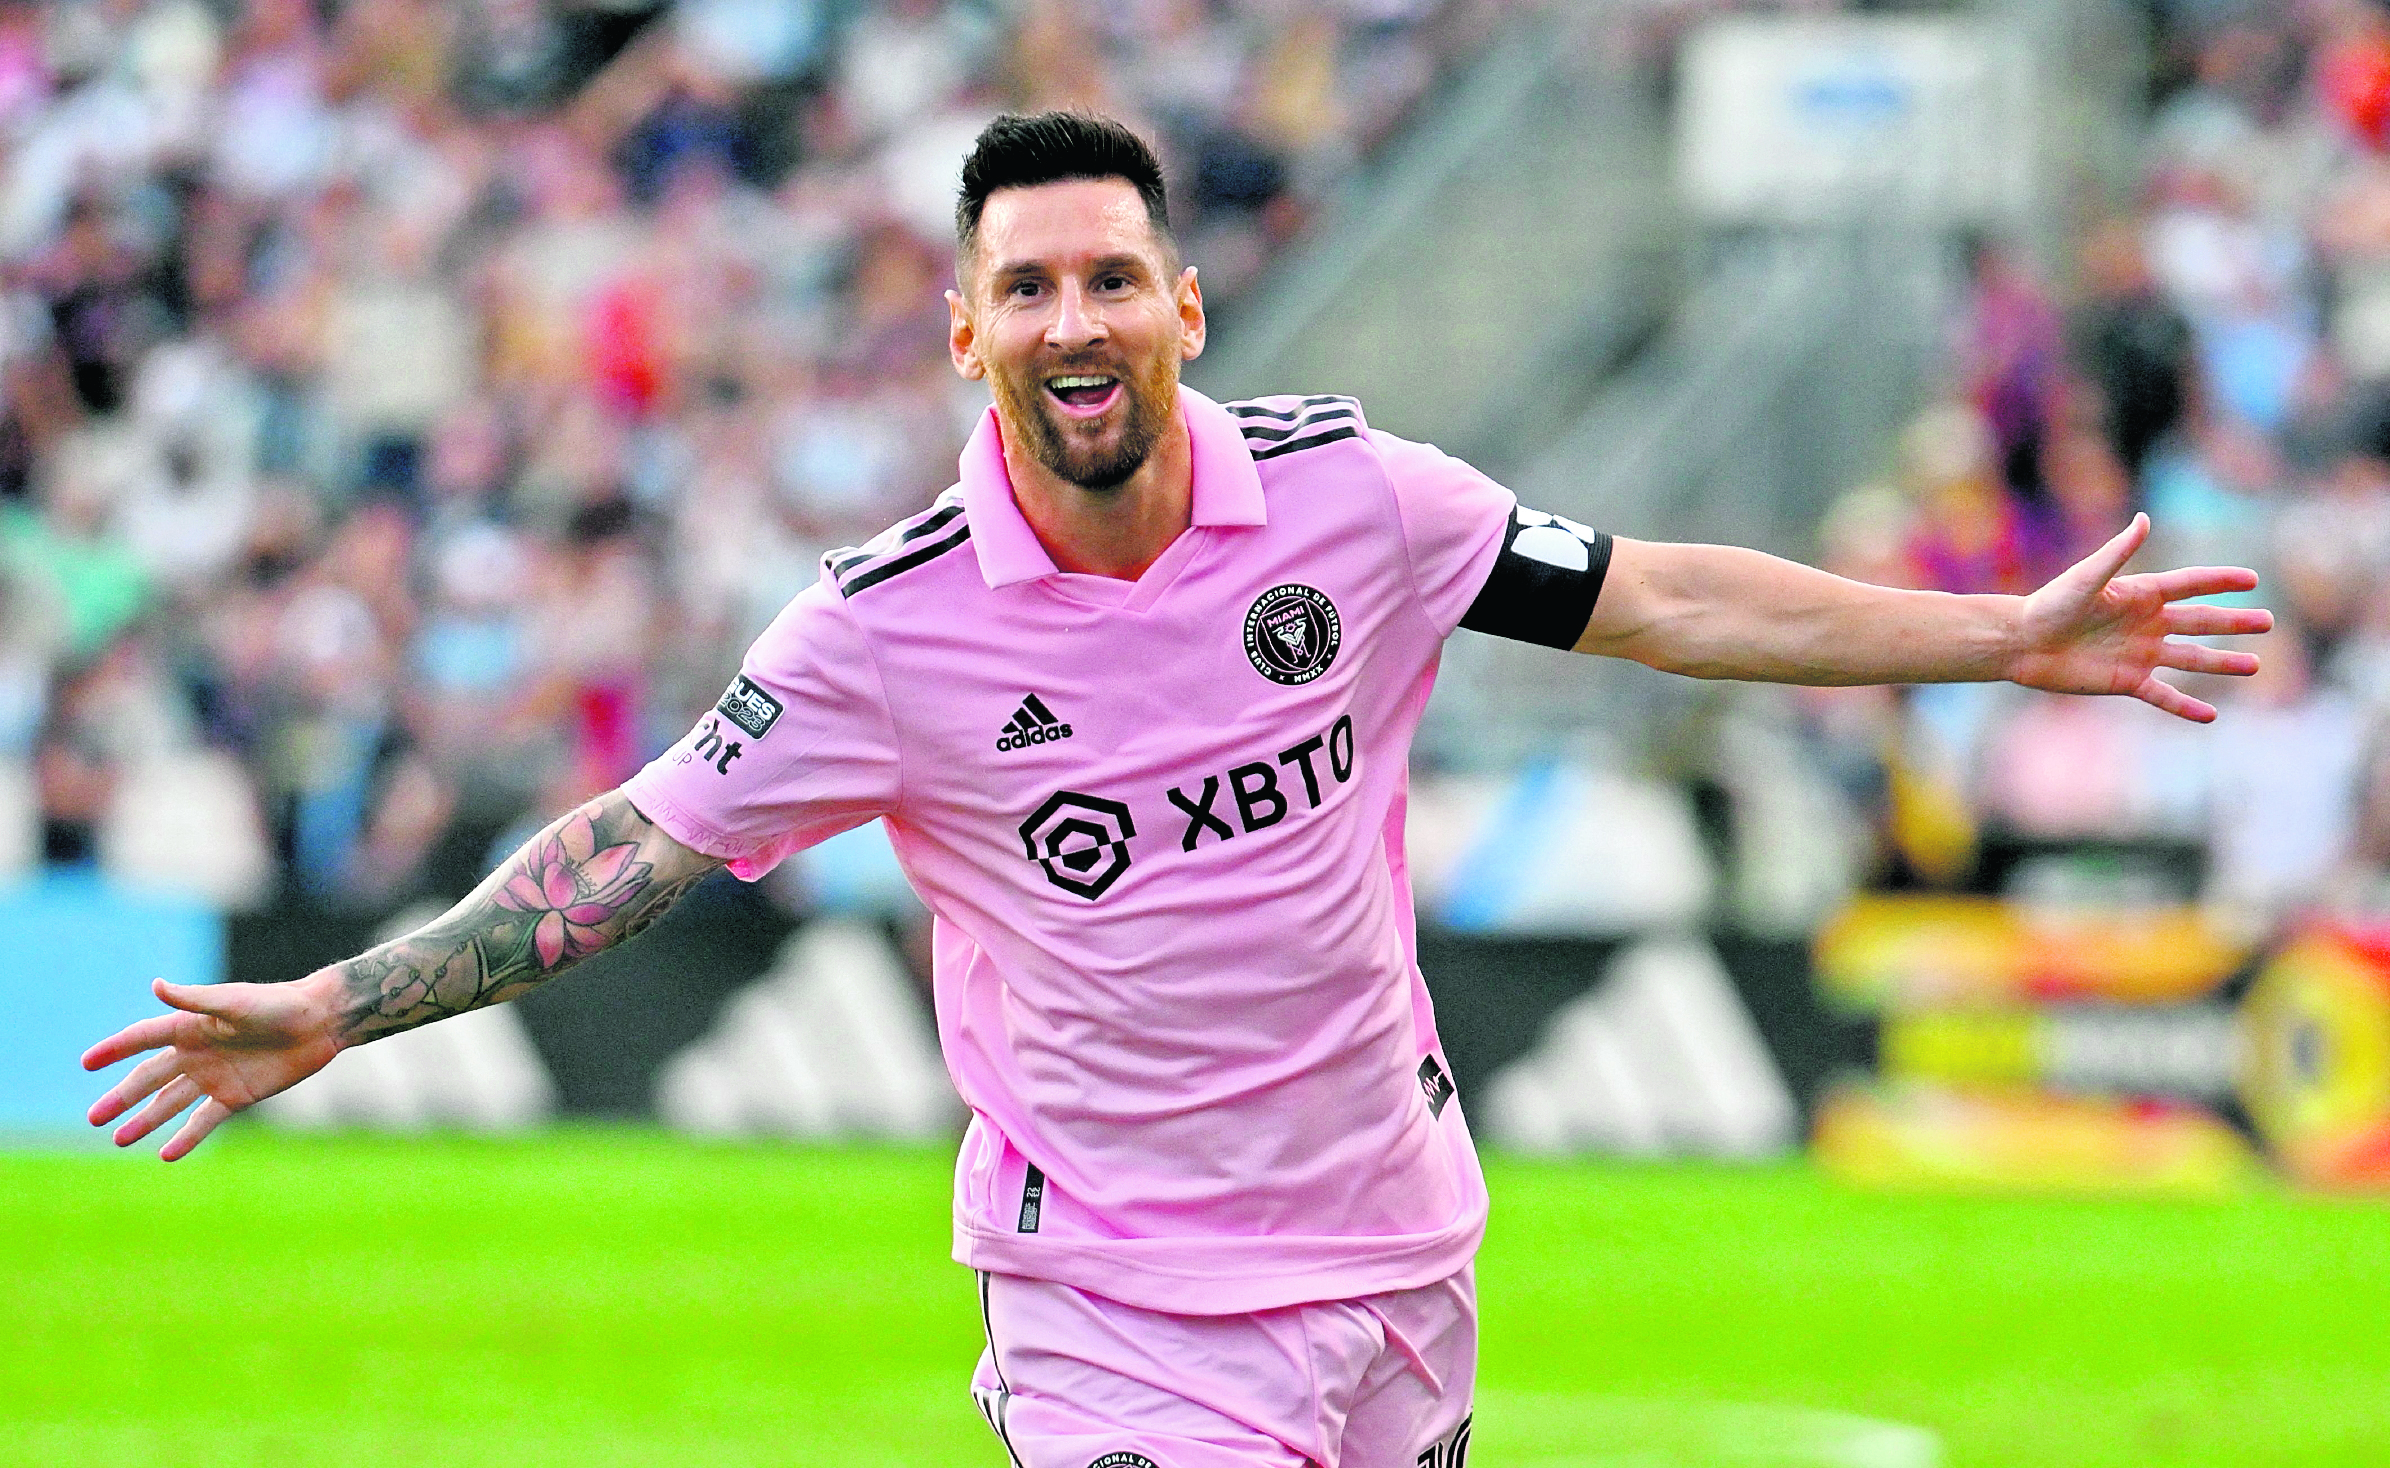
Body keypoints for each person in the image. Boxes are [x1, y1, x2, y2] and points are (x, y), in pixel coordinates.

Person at [82, 112, 2273, 1468]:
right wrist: (339, 1002)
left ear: (1184, 307)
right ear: (966, 334)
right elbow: (630, 849)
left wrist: (1996, 635)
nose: (1074, 317)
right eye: (1024, 285)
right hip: (1114, 1298)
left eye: (1110, 277)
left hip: (1398, 1243)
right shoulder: (881, 629)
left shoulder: (1359, 503)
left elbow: (1665, 595)